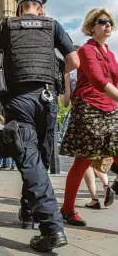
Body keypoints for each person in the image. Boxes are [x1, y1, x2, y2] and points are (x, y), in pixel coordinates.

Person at [0, 0, 80, 253]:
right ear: (41, 8)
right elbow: (74, 60)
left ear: (19, 8)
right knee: (39, 159)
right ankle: (28, 212)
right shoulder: (53, 25)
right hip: (47, 100)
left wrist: (1, 78)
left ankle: (51, 227)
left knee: (30, 159)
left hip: (19, 100)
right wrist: (53, 70)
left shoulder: (7, 26)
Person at [60, 8, 118, 226]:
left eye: (110, 21)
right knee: (83, 160)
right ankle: (67, 209)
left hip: (111, 108)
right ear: (91, 27)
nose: (107, 24)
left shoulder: (110, 54)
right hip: (89, 107)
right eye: (102, 21)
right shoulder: (86, 50)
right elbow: (97, 80)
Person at [59, 51, 114, 210]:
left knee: (84, 159)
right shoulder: (98, 68)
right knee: (96, 157)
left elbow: (65, 101)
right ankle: (106, 185)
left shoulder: (70, 73)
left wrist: (65, 80)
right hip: (104, 114)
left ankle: (94, 198)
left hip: (82, 115)